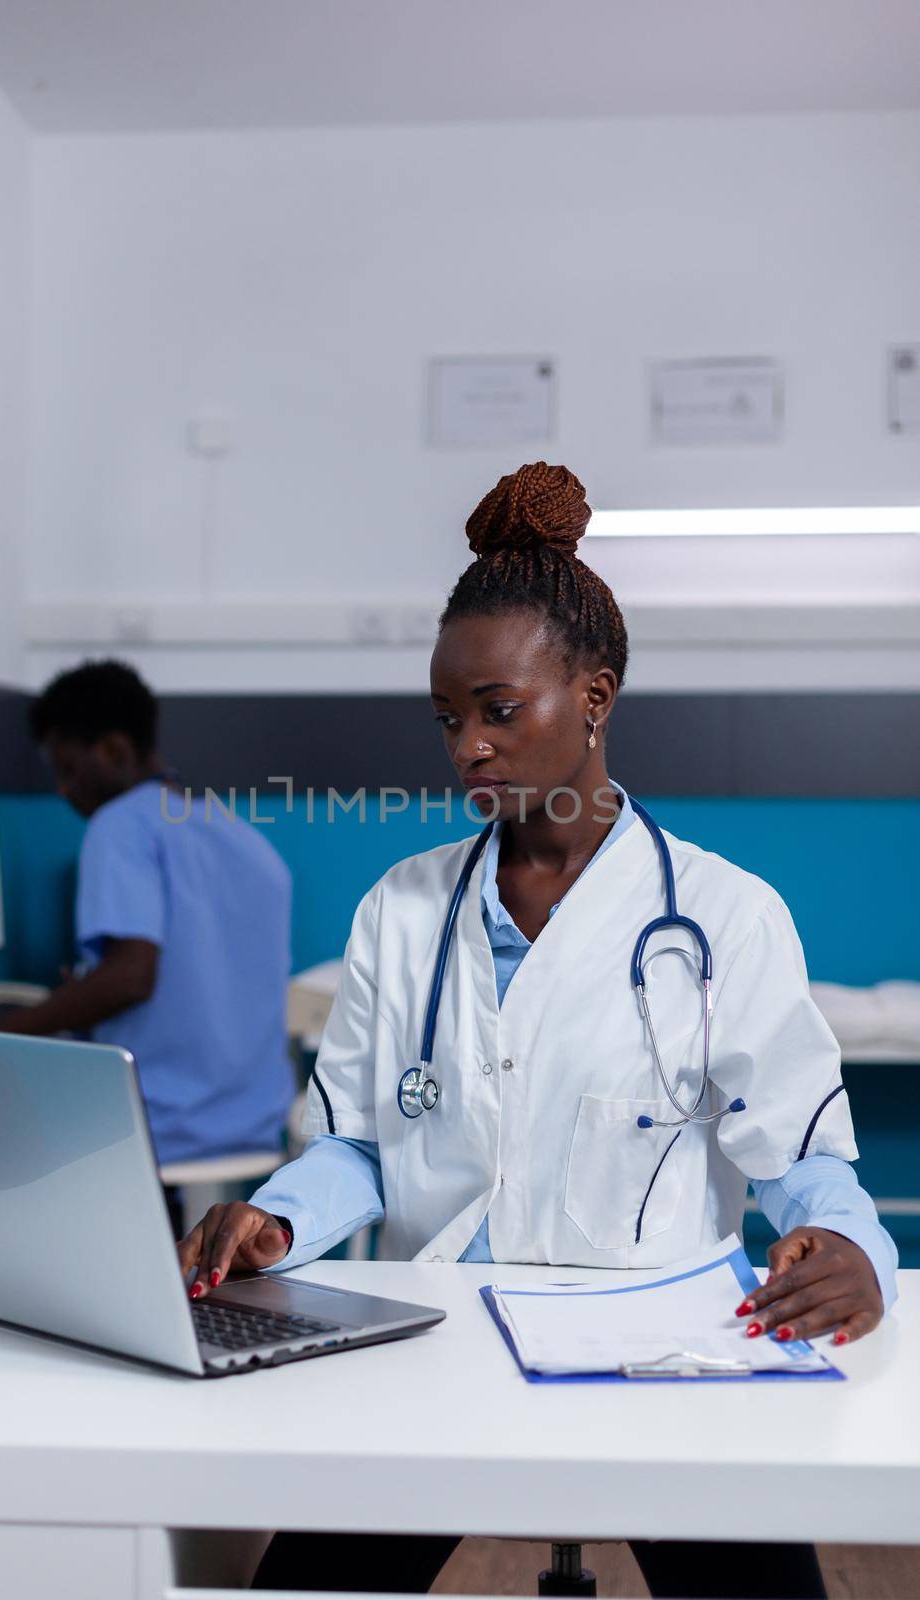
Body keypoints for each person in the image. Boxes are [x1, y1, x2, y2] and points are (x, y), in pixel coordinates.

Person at [179, 464, 896, 1600]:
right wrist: (278, 1219)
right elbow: (361, 1143)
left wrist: (856, 1248)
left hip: (660, 1350)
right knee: (307, 1586)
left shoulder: (721, 916)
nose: (466, 744)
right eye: (448, 717)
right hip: (435, 1339)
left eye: (499, 711)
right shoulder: (399, 910)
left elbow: (798, 1153)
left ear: (595, 694)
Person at [0, 659, 294, 1210]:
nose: (62, 789)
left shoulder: (120, 823)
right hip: (253, 1124)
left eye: (68, 768)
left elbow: (130, 976)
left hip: (160, 1127)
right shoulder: (240, 835)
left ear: (114, 752)